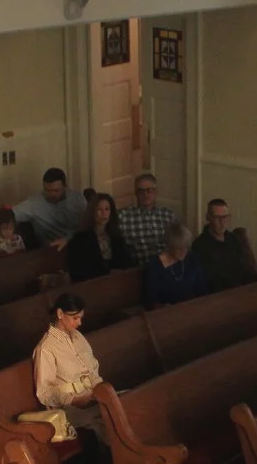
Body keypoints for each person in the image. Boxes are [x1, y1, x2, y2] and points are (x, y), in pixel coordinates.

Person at [31, 293, 106, 439]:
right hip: (67, 408)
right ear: (60, 314)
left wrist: (102, 391)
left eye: (81, 318)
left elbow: (92, 370)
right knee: (100, 418)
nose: (79, 323)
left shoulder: (78, 337)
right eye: (75, 318)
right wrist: (73, 400)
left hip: (90, 397)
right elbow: (45, 392)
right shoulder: (46, 348)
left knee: (118, 406)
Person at [63, 191, 137, 283]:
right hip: (93, 285)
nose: (104, 213)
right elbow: (79, 271)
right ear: (92, 212)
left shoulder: (115, 237)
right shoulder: (80, 239)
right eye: (99, 210)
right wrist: (108, 273)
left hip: (116, 283)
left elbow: (125, 262)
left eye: (107, 209)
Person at [190, 198, 257, 292]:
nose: (222, 222)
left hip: (242, 292)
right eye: (217, 218)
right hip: (220, 296)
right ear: (208, 218)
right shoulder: (200, 245)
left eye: (225, 217)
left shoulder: (234, 239)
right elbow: (208, 282)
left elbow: (246, 268)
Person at [143, 223, 212, 306]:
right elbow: (151, 300)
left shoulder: (192, 259)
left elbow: (202, 290)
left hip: (193, 308)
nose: (183, 252)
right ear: (170, 246)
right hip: (167, 312)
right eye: (179, 249)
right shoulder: (155, 264)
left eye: (186, 247)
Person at [16, 166, 85, 248]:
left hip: (77, 243)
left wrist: (69, 239)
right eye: (48, 191)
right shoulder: (35, 203)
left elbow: (89, 224)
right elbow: (11, 215)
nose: (52, 194)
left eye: (56, 190)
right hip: (51, 249)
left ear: (65, 187)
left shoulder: (78, 199)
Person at [117, 173, 177, 264]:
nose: (145, 194)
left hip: (165, 268)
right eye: (141, 191)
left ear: (156, 192)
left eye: (149, 190)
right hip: (136, 268)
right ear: (135, 194)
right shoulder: (123, 216)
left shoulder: (168, 216)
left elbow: (177, 245)